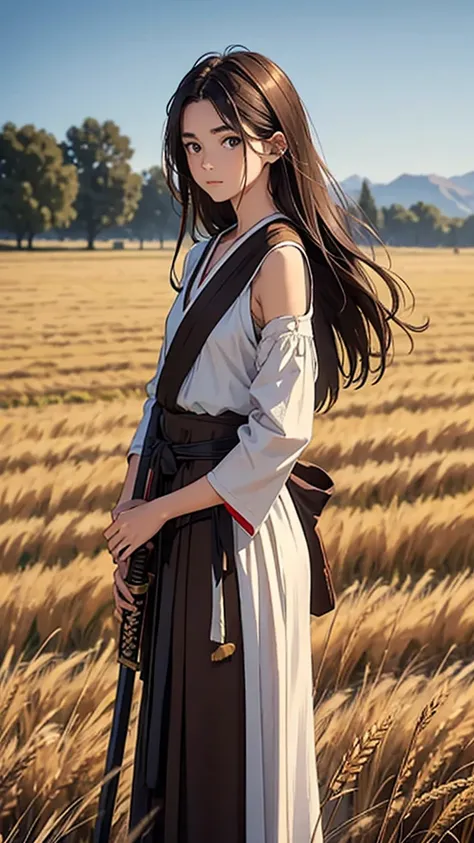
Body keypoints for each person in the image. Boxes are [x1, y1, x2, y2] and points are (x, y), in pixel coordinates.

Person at [102, 47, 428, 843]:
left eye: (226, 139)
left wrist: (160, 512)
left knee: (226, 754)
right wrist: (130, 514)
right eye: (191, 145)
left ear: (275, 141)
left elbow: (277, 435)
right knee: (175, 743)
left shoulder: (280, 260)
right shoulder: (209, 251)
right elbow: (162, 395)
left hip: (232, 537)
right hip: (179, 515)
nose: (207, 162)